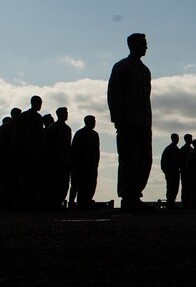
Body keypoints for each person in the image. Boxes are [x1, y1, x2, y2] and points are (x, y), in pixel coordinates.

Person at [108, 33, 153, 212]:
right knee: (129, 159)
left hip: (143, 121)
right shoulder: (122, 67)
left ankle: (135, 195)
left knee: (145, 160)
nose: (146, 47)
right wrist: (118, 118)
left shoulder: (144, 70)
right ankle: (128, 197)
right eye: (143, 43)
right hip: (128, 121)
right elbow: (114, 93)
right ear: (132, 45)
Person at [14, 95, 45, 210]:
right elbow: (18, 136)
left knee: (35, 181)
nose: (40, 105)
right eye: (39, 103)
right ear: (33, 103)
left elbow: (41, 137)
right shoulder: (24, 117)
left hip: (36, 155)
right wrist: (20, 153)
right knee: (25, 181)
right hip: (26, 155)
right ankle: (24, 203)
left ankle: (32, 203)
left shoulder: (38, 118)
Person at [44, 107, 72, 210]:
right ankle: (53, 203)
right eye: (65, 113)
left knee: (64, 184)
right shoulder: (52, 128)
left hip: (64, 160)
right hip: (54, 161)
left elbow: (68, 146)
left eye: (66, 113)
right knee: (54, 183)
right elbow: (48, 146)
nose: (66, 115)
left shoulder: (67, 129)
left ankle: (59, 202)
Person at [71, 115, 100, 210]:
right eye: (92, 121)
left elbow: (97, 150)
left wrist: (96, 162)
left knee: (91, 184)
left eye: (94, 121)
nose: (94, 123)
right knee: (80, 184)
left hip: (92, 164)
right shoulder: (80, 133)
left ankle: (87, 200)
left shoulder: (95, 135)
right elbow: (74, 150)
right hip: (81, 165)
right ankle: (80, 202)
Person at [0, 110, 19, 211]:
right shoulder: (14, 128)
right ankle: (6, 202)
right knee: (7, 182)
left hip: (10, 159)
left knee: (8, 183)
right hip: (8, 159)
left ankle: (6, 202)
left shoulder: (6, 128)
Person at [160, 133, 180, 209]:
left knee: (174, 187)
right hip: (171, 172)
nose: (177, 139)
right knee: (171, 187)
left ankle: (172, 202)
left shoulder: (175, 148)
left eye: (178, 138)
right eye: (176, 138)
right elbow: (163, 162)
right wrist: (167, 171)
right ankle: (171, 202)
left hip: (175, 171)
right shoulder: (169, 149)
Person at [179, 134, 194, 208]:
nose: (191, 139)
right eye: (190, 138)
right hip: (185, 172)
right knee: (185, 187)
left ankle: (187, 202)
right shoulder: (184, 149)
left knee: (188, 187)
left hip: (189, 172)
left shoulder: (190, 149)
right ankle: (185, 203)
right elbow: (181, 162)